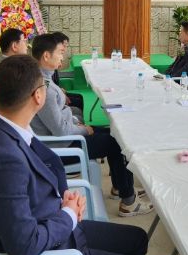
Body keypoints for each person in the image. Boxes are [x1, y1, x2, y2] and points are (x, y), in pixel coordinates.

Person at [0, 55, 164, 255]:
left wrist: (64, 199)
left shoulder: (7, 129)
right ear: (38, 96)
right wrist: (68, 214)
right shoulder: (2, 160)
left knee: (137, 238)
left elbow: (38, 177)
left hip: (56, 227)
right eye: (45, 86)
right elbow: (24, 246)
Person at [30, 34, 153, 217]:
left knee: (114, 135)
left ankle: (120, 187)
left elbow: (60, 116)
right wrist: (83, 129)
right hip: (61, 148)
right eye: (59, 53)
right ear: (46, 56)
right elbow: (60, 130)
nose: (63, 57)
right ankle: (129, 202)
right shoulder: (44, 87)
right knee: (117, 143)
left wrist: (75, 122)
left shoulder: (42, 79)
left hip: (63, 139)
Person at [49, 31, 84, 113]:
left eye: (66, 46)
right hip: (55, 98)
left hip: (56, 93)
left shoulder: (54, 59)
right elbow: (48, 87)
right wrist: (60, 94)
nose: (64, 49)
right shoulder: (47, 66)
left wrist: (59, 90)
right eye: (63, 46)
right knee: (77, 102)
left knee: (79, 98)